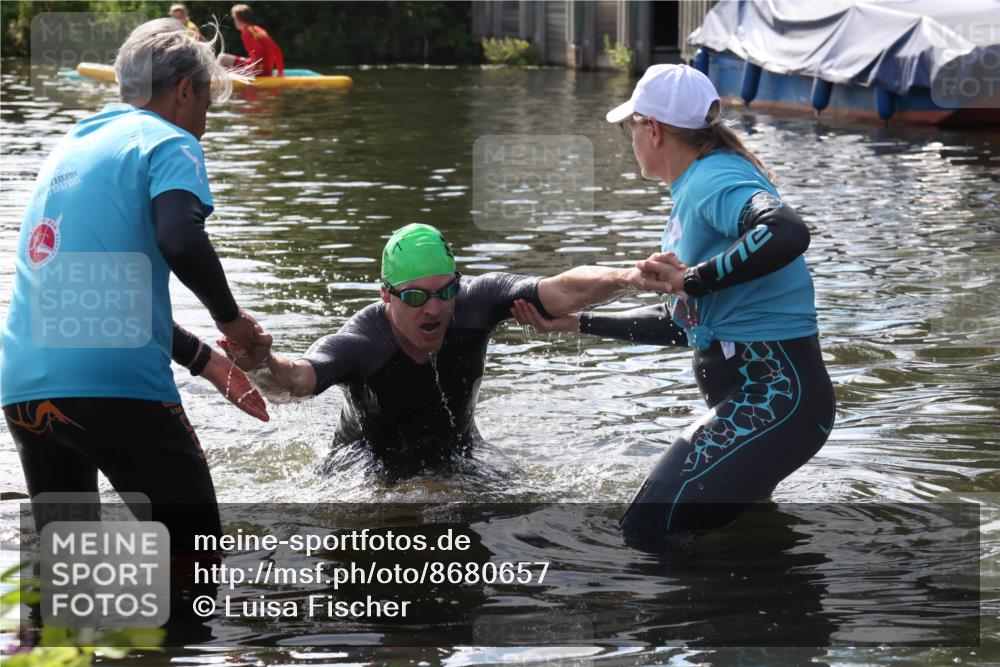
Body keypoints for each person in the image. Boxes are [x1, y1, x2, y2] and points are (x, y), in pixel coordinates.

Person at [512, 64, 836, 544]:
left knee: (644, 532)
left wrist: (694, 278)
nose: (631, 139)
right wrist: (576, 322)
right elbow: (683, 323)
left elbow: (786, 231)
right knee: (746, 546)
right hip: (768, 408)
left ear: (654, 129)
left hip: (776, 403)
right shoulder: (698, 186)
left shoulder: (714, 180)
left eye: (631, 127)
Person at [0, 18, 269, 553]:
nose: (204, 126)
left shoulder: (72, 145)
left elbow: (95, 296)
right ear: (186, 91)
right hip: (113, 384)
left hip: (24, 385)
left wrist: (207, 362)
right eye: (207, 108)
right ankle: (181, 640)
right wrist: (231, 321)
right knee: (193, 556)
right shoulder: (170, 141)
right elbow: (180, 237)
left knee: (65, 578)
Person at [221, 223, 665, 480]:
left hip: (459, 453)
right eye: (415, 298)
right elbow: (295, 382)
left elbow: (560, 289)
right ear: (386, 296)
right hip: (366, 468)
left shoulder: (476, 303)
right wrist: (260, 363)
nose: (434, 308)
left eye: (445, 291)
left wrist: (627, 277)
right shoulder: (363, 341)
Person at [217, 4, 284, 77]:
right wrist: (280, 72)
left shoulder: (246, 33)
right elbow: (277, 50)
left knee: (222, 58)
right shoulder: (258, 29)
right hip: (267, 71)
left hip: (259, 71)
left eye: (234, 18)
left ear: (238, 19)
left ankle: (217, 82)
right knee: (233, 60)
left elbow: (258, 51)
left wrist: (253, 71)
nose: (234, 20)